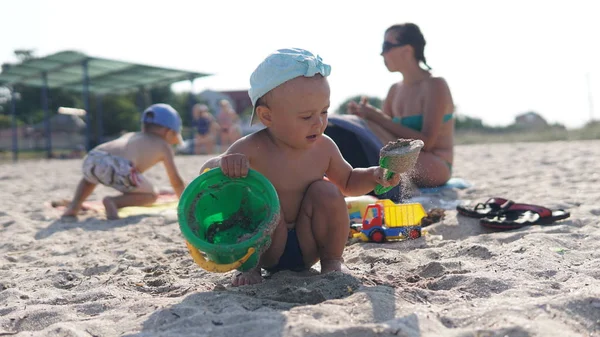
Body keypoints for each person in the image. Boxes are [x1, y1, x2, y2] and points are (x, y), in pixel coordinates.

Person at [198, 48, 402, 286]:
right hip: (264, 247)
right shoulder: (252, 148)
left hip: (310, 242)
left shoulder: (324, 147)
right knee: (260, 199)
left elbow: (347, 181)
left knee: (326, 190)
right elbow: (207, 175)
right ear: (267, 117)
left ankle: (332, 261)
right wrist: (223, 163)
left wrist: (374, 175)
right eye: (306, 117)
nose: (319, 122)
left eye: (324, 112)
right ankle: (249, 269)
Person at [348, 23, 455, 187]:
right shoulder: (395, 89)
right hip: (403, 162)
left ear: (407, 50)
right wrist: (364, 116)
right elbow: (385, 135)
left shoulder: (435, 85)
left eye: (387, 46)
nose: (382, 53)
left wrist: (376, 118)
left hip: (434, 163)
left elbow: (427, 142)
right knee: (361, 127)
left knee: (368, 128)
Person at [62, 103, 186, 220]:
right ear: (169, 132)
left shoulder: (132, 135)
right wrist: (185, 202)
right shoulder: (164, 146)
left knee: (89, 180)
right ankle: (113, 202)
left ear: (144, 125)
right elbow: (175, 181)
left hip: (93, 156)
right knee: (152, 195)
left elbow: (112, 159)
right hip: (120, 166)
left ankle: (74, 206)